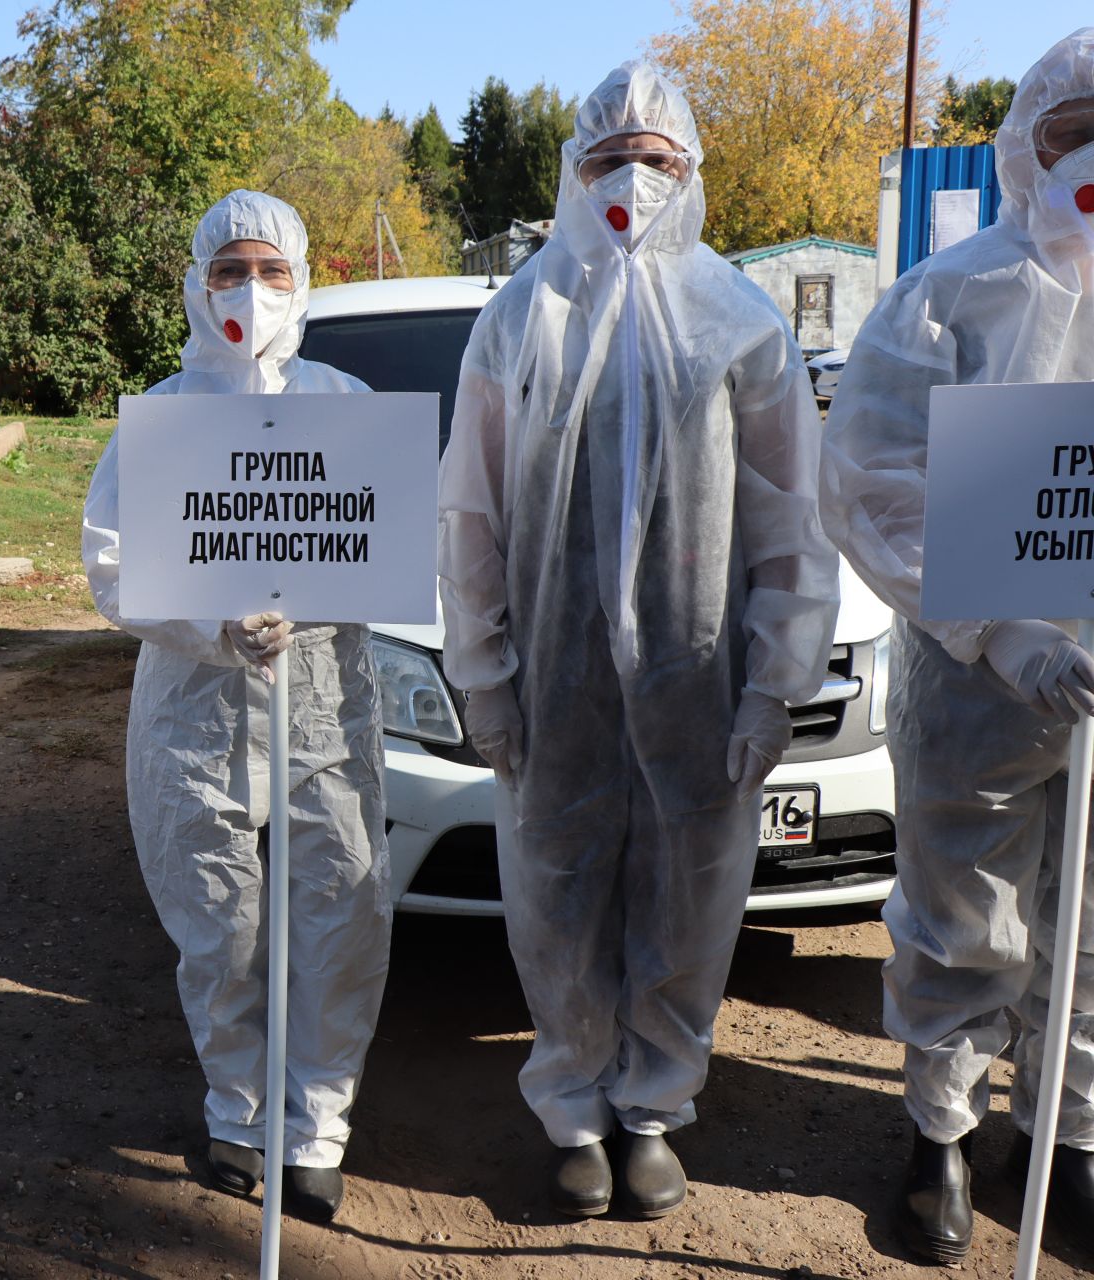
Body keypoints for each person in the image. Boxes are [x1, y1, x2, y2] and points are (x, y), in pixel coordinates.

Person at [438, 63, 839, 1219]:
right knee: (556, 888)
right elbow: (472, 511)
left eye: (657, 160)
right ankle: (573, 1105)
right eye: (610, 156)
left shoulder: (740, 319)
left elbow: (787, 518)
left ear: (692, 174)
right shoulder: (521, 313)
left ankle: (654, 1105)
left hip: (694, 675)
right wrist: (485, 670)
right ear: (574, 171)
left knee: (690, 887)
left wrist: (776, 682)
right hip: (556, 686)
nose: (633, 178)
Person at [820, 28, 1094, 1265]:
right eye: (1073, 128)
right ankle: (941, 1136)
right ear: (1024, 141)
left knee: (1091, 926)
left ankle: (1068, 1137)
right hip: (978, 681)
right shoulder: (946, 297)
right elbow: (874, 482)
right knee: (963, 909)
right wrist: (1001, 628)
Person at [81, 190, 392, 1225]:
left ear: (301, 282)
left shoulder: (347, 404)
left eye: (269, 271)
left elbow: (392, 539)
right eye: (227, 270)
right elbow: (112, 560)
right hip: (192, 704)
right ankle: (237, 1108)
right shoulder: (164, 416)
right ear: (196, 282)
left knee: (337, 903)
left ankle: (316, 1127)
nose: (248, 291)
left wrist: (322, 595)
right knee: (219, 919)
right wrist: (211, 626)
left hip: (322, 702)